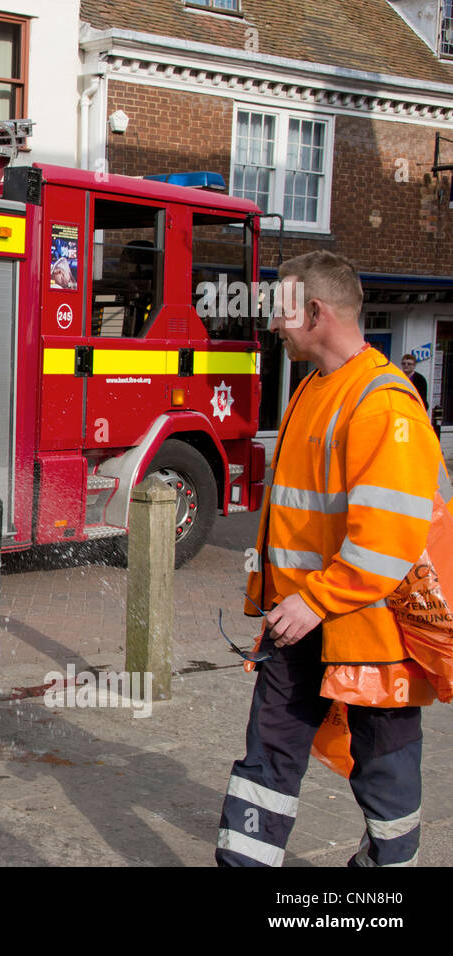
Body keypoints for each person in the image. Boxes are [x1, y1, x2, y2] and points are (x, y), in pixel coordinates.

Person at [216, 251, 443, 867]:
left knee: (384, 769)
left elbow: (386, 542)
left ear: (314, 312)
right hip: (301, 622)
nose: (271, 326)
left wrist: (314, 600)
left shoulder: (384, 405)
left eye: (280, 312)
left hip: (369, 633)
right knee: (268, 756)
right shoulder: (315, 391)